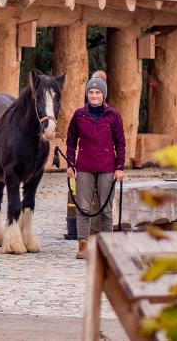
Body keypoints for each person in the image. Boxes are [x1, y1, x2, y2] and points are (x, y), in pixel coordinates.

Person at [65, 70, 125, 260]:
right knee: (83, 208)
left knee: (106, 208)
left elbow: (120, 142)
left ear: (103, 95)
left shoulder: (113, 115)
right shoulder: (79, 115)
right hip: (84, 166)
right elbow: (71, 140)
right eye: (91, 92)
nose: (94, 95)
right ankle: (83, 244)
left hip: (107, 166)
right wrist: (70, 164)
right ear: (87, 94)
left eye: (98, 92)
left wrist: (120, 167)